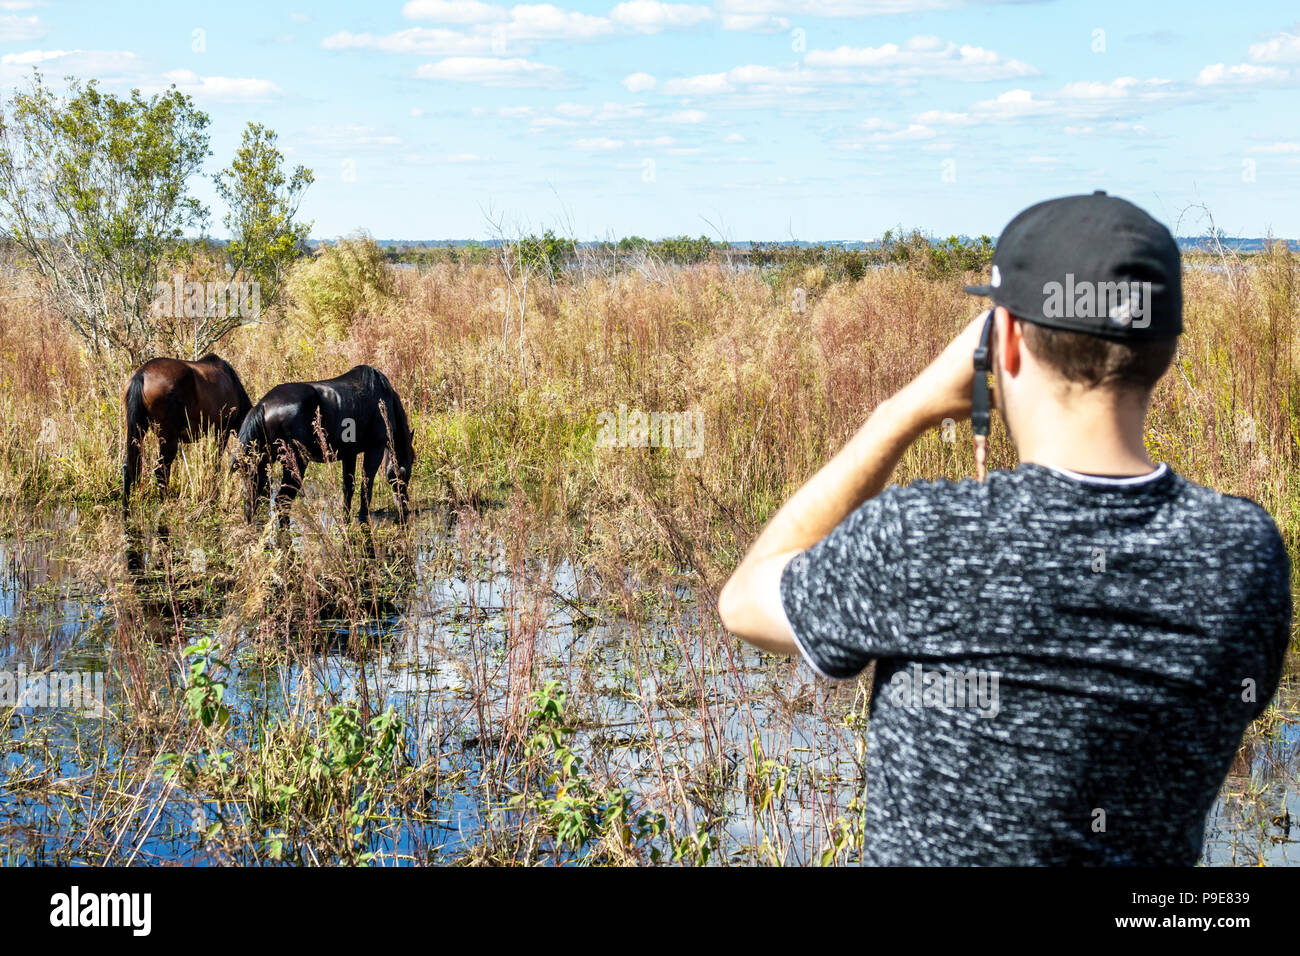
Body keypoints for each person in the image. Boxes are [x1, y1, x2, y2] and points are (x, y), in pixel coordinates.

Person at [717, 191, 1293, 865]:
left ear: (1006, 341)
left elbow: (743, 603)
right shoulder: (1244, 556)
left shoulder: (921, 537)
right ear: (1162, 349)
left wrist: (902, 411)